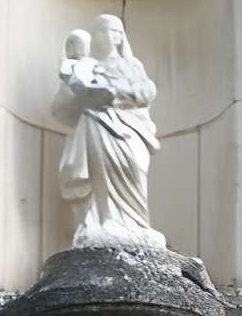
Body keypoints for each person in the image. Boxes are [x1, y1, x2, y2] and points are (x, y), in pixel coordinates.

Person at [52, 12, 164, 248]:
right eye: (103, 31)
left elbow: (146, 92)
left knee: (133, 167)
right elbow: (61, 108)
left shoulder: (132, 65)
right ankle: (104, 220)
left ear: (122, 37)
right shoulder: (87, 67)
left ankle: (136, 224)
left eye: (115, 31)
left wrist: (112, 93)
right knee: (99, 175)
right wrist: (73, 82)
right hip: (97, 124)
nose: (110, 36)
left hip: (133, 128)